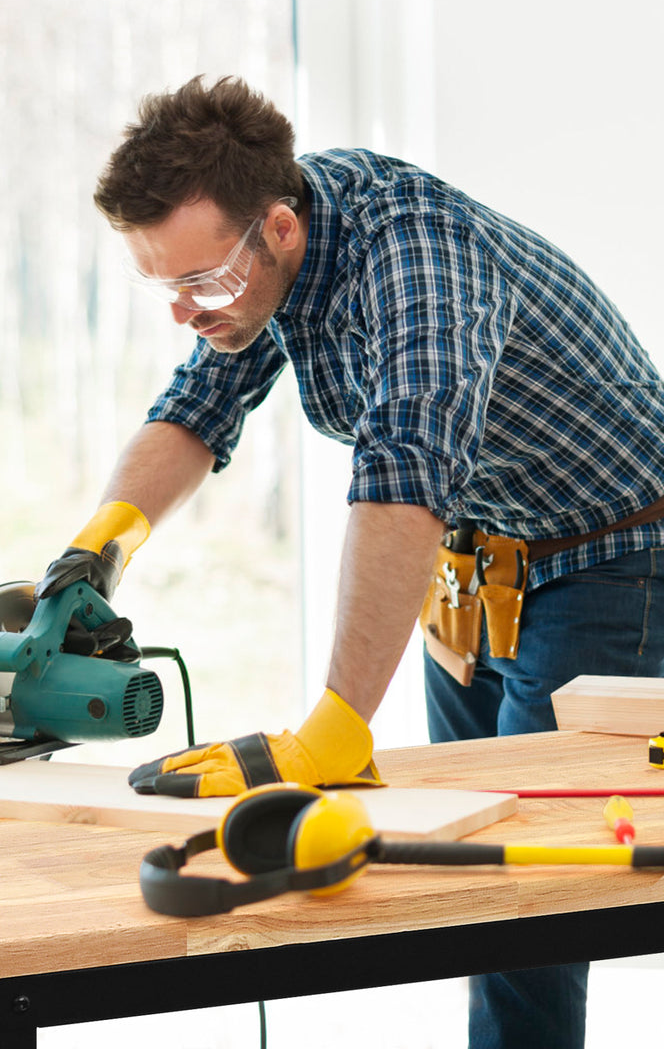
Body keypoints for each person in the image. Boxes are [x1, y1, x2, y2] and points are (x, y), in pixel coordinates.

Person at [34, 74, 664, 1048]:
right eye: (166, 285)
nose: (185, 312)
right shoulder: (257, 266)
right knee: (467, 865)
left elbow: (403, 479)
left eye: (200, 282)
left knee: (537, 899)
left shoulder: (420, 262)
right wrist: (92, 555)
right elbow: (195, 413)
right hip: (478, 565)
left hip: (614, 560)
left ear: (279, 228)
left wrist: (334, 728)